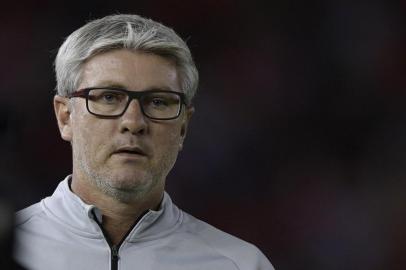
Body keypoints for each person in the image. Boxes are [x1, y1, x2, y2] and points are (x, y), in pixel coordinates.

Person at [14, 14, 274, 270]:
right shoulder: (10, 249)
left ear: (183, 126)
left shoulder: (242, 264)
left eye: (159, 101)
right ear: (65, 117)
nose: (134, 122)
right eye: (108, 97)